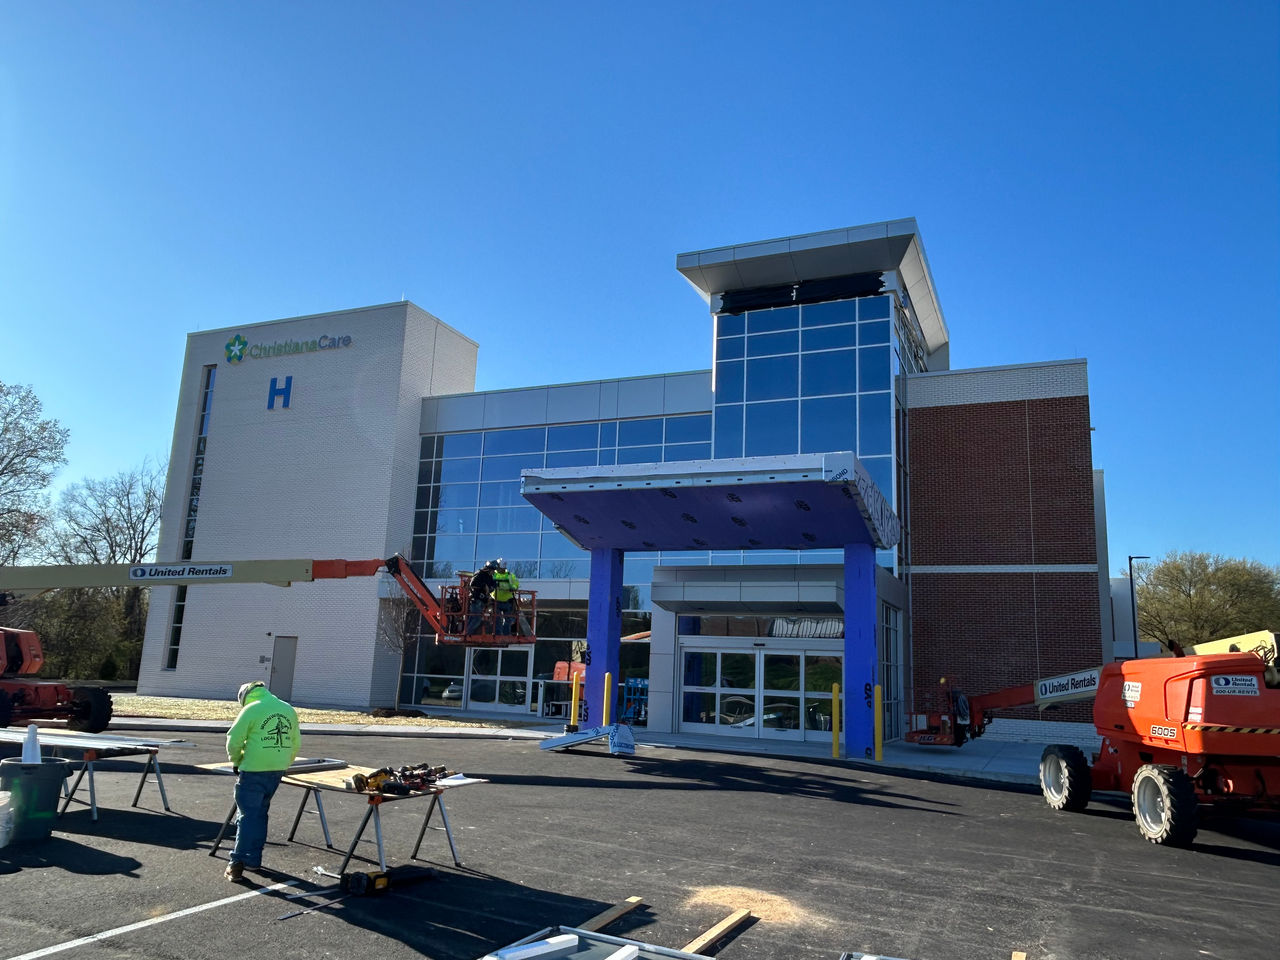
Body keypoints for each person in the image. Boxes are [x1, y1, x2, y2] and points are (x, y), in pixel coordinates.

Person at [223, 680, 300, 881]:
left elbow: (234, 740)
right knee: (260, 814)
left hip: (254, 769)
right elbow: (295, 743)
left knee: (247, 816)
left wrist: (237, 760)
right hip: (276, 770)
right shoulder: (287, 709)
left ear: (245, 697)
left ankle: (237, 862)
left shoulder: (251, 709)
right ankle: (254, 860)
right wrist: (283, 763)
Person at [465, 561, 498, 635]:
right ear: (489, 569)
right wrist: (484, 586)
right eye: (492, 570)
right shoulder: (480, 573)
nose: (493, 572)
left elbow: (493, 587)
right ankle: (467, 634)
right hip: (476, 599)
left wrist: (490, 589)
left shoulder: (490, 578)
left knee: (474, 618)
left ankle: (467, 633)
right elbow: (473, 583)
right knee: (476, 618)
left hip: (482, 601)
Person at [491, 559, 520, 636]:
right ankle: (498, 634)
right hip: (496, 600)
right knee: (497, 619)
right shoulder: (493, 575)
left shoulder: (510, 575)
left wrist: (512, 587)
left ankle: (506, 634)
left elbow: (516, 584)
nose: (500, 569)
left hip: (507, 600)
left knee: (508, 619)